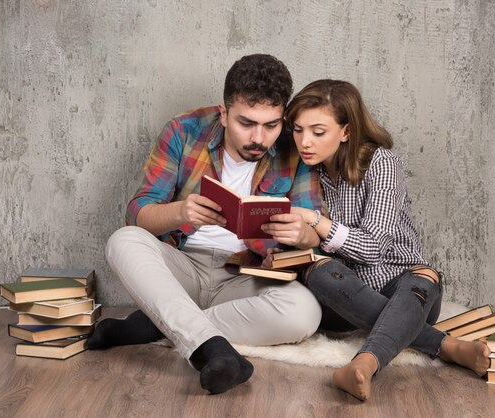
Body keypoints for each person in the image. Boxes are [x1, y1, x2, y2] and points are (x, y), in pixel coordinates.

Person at [87, 54, 323, 395]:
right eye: (247, 123)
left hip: (246, 276)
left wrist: (303, 235)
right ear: (224, 114)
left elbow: (314, 231)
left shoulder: (293, 147)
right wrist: (181, 212)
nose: (259, 137)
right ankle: (210, 349)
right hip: (183, 266)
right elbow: (138, 212)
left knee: (305, 313)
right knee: (123, 241)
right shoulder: (184, 130)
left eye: (271, 125)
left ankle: (159, 325)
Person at [261, 79, 491, 401]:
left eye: (318, 131)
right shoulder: (301, 168)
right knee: (320, 272)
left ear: (346, 132)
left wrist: (315, 220)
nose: (304, 141)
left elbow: (373, 248)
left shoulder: (381, 163)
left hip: (403, 284)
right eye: (298, 130)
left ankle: (364, 364)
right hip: (340, 296)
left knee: (423, 279)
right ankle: (446, 345)